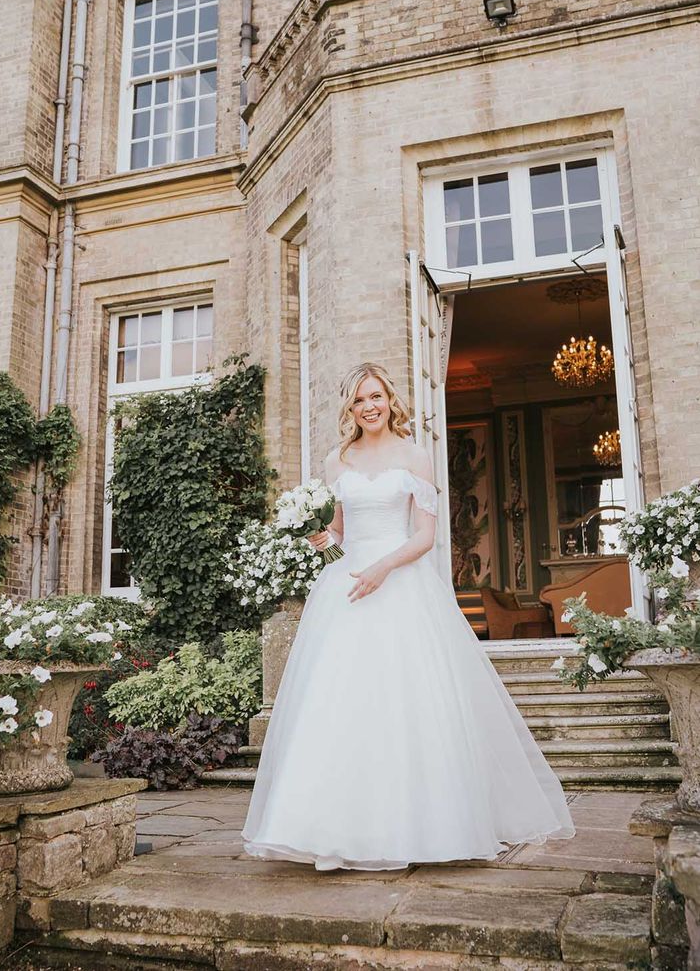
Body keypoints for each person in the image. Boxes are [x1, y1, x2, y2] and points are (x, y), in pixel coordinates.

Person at [241, 362, 574, 871]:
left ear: (390, 400)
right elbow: (341, 528)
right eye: (358, 400)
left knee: (407, 701)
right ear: (349, 409)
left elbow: (424, 536)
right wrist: (321, 540)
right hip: (349, 587)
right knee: (339, 703)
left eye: (375, 396)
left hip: (400, 583)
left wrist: (383, 566)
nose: (369, 407)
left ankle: (420, 825)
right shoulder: (337, 461)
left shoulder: (415, 456)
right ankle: (331, 828)